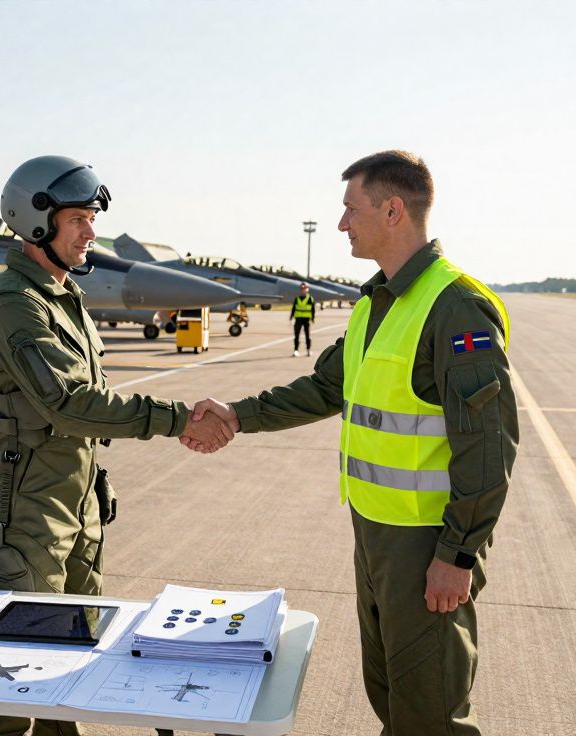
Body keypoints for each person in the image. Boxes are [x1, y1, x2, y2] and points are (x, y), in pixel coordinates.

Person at [185, 150, 518, 735]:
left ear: (392, 210)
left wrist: (457, 554)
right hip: (375, 534)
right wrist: (237, 415)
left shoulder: (455, 307)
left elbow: (488, 447)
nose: (341, 224)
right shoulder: (376, 304)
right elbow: (325, 390)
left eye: (349, 210)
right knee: (392, 695)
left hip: (426, 543)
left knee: (430, 713)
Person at [0, 155, 234, 736]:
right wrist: (179, 418)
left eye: (92, 218)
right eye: (79, 220)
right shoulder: (17, 308)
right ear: (37, 223)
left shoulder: (64, 299)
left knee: (73, 661)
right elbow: (72, 404)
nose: (91, 233)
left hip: (79, 501)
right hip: (29, 503)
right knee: (10, 677)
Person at [291, 282, 315, 357]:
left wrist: (313, 318)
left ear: (307, 289)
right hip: (298, 319)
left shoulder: (310, 299)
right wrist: (291, 317)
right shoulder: (297, 299)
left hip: (306, 320)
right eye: (301, 288)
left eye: (304, 288)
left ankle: (308, 350)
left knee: (307, 336)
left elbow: (313, 310)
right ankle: (296, 350)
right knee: (296, 335)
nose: (303, 290)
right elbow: (294, 308)